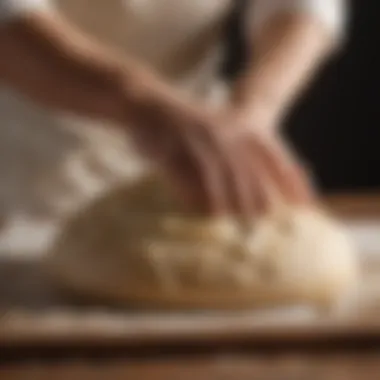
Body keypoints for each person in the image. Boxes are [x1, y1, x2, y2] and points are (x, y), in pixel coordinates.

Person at [0, 0, 346, 250]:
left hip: (194, 170)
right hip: (18, 184)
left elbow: (304, 6)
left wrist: (255, 111)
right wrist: (147, 104)